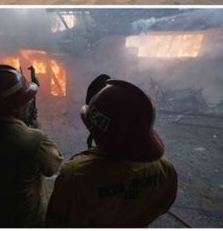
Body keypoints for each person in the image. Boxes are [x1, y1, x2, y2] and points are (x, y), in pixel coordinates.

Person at [46, 80, 177, 227]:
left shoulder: (76, 175)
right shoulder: (165, 168)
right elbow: (162, 207)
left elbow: (57, 221)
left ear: (95, 128)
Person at [0, 64, 63, 227]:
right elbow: (53, 167)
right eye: (25, 101)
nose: (28, 105)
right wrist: (35, 129)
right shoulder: (34, 141)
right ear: (15, 106)